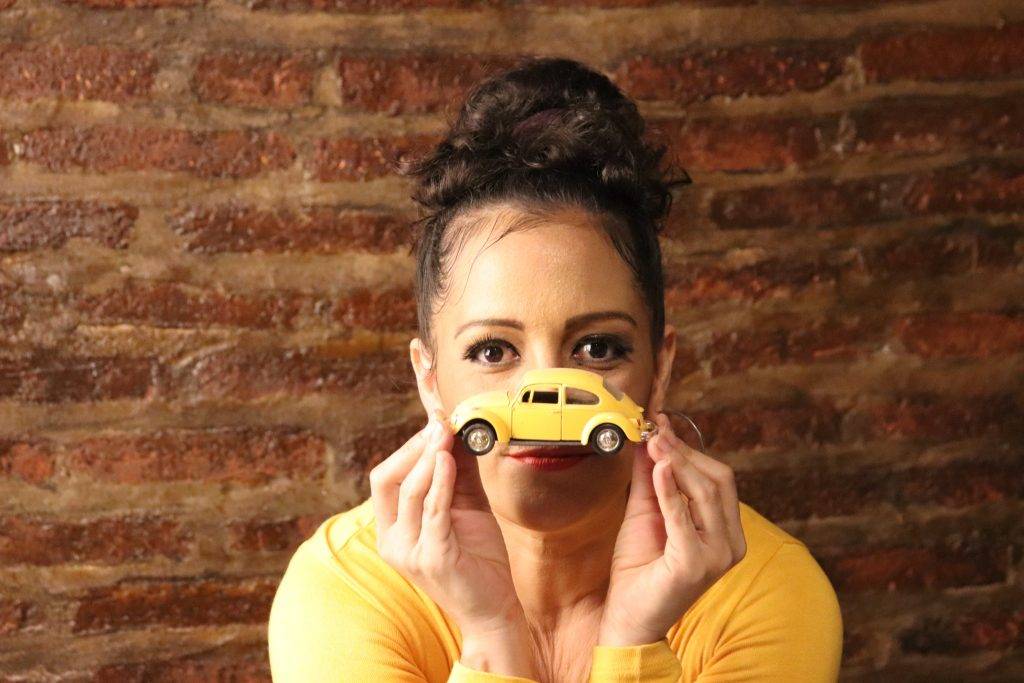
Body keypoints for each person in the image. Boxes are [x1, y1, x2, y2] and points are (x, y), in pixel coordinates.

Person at [268, 56, 843, 682]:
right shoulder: (343, 588)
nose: (545, 390)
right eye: (493, 351)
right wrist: (490, 634)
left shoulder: (767, 588)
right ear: (428, 379)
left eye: (597, 349)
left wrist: (635, 641)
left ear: (659, 370)